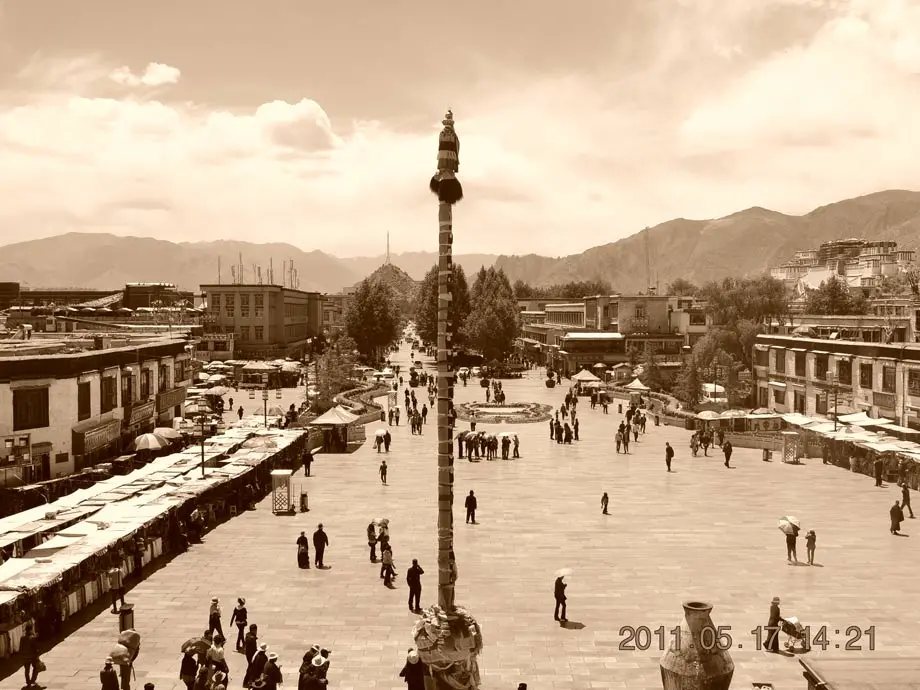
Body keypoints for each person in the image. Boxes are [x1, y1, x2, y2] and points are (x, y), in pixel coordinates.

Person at [20, 621, 40, 686]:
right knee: (36, 668)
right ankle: (33, 680)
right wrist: (37, 655)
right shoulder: (33, 638)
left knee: (26, 670)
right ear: (31, 629)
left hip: (24, 657)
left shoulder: (22, 638)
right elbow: (36, 648)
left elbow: (20, 648)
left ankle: (28, 682)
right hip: (32, 656)